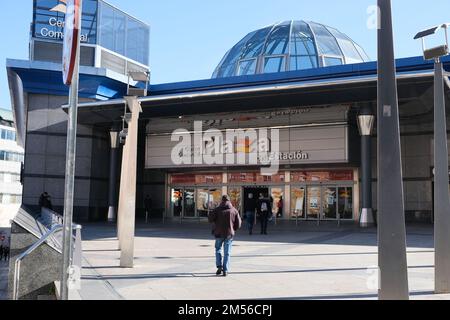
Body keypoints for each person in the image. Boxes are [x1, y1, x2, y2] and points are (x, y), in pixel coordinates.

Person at [208, 195, 242, 277]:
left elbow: (210, 219)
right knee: (227, 253)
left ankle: (219, 266)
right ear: (229, 201)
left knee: (218, 249)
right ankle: (225, 270)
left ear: (221, 200)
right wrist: (233, 229)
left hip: (218, 233)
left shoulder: (217, 210)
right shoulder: (234, 210)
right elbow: (239, 224)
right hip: (229, 234)